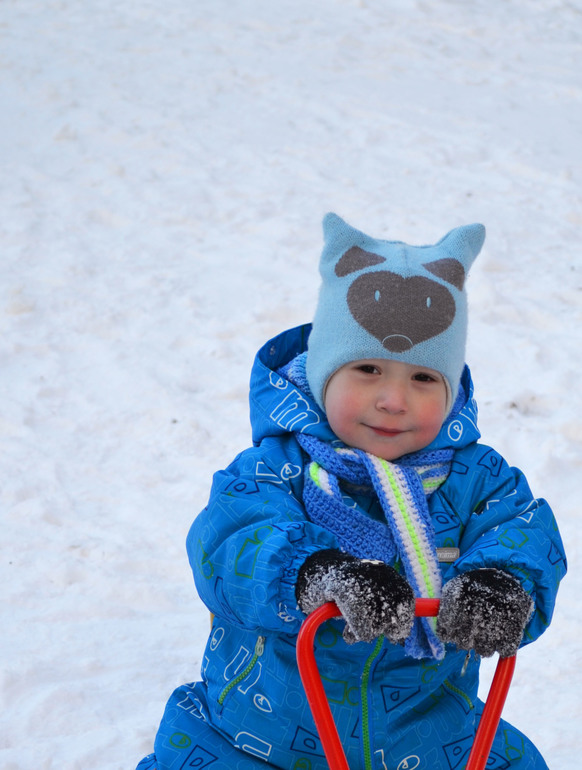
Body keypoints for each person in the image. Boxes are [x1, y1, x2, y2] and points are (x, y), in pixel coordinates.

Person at [136, 213, 566, 770]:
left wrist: (503, 584)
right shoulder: (274, 470)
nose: (393, 399)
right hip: (260, 732)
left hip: (432, 737)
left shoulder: (478, 479)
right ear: (323, 373)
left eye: (423, 378)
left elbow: (522, 532)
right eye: (367, 368)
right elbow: (231, 541)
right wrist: (316, 574)